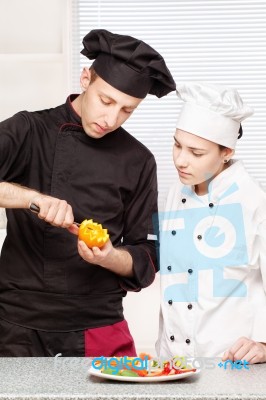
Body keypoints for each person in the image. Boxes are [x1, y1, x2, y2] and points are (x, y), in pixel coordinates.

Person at [0, 29, 176, 357]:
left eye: (127, 110)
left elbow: (149, 254)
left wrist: (111, 257)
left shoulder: (139, 161)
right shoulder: (28, 130)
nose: (111, 119)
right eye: (106, 101)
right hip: (17, 326)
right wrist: (32, 199)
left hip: (98, 324)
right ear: (85, 78)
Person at [156, 81, 266, 364]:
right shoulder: (174, 193)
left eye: (196, 153)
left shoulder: (254, 201)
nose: (181, 160)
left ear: (226, 152)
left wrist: (264, 343)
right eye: (177, 145)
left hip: (231, 363)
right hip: (171, 361)